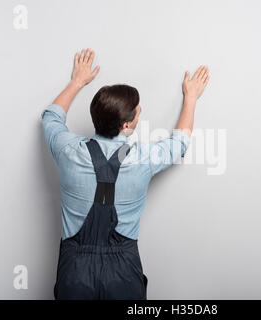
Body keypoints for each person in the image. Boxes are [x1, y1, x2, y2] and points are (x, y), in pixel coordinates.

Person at [41, 48, 209, 300]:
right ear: (126, 125)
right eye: (137, 112)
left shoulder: (67, 150)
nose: (139, 114)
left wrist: (77, 82)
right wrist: (191, 98)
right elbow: (180, 142)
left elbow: (51, 118)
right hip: (123, 276)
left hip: (74, 275)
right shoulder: (143, 159)